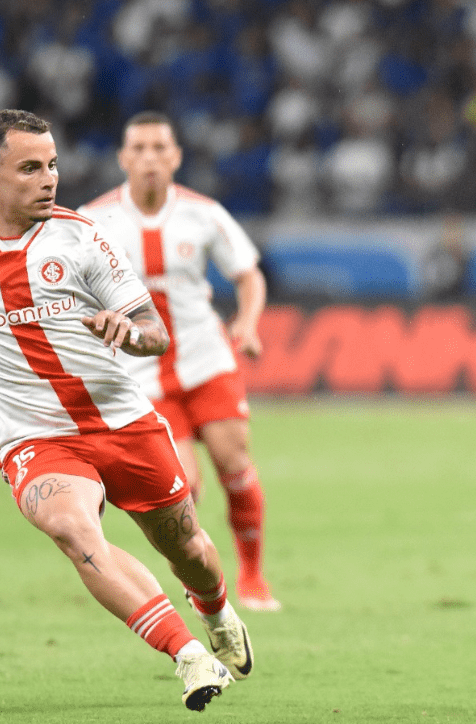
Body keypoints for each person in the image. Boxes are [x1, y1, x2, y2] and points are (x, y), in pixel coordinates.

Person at [0, 109, 255, 710]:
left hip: (121, 421)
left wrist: (127, 330)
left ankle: (217, 611)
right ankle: (188, 654)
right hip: (35, 439)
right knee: (74, 530)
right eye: (29, 168)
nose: (48, 178)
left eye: (52, 165)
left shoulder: (85, 237)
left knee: (189, 550)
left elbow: (155, 331)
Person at [80, 111, 279, 611]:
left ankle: (253, 576)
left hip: (207, 361)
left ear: (176, 157)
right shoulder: (92, 220)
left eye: (159, 148)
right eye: (139, 149)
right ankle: (201, 578)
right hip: (142, 375)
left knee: (235, 466)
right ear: (124, 158)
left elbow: (248, 275)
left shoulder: (204, 212)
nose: (149, 158)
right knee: (183, 486)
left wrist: (248, 323)